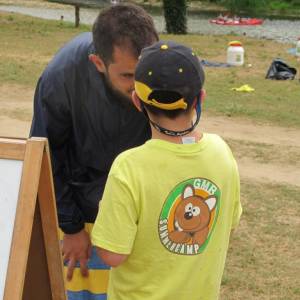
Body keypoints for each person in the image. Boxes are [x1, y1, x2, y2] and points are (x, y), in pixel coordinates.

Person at [91, 41, 242, 300]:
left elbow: (112, 255)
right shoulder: (221, 152)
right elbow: (229, 223)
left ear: (137, 100)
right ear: (200, 99)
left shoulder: (129, 167)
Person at [30, 3, 158, 300]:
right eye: (128, 76)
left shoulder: (163, 67)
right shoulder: (60, 78)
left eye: (145, 73)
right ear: (98, 63)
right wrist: (71, 228)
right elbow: (48, 156)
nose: (141, 88)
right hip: (81, 206)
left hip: (141, 209)